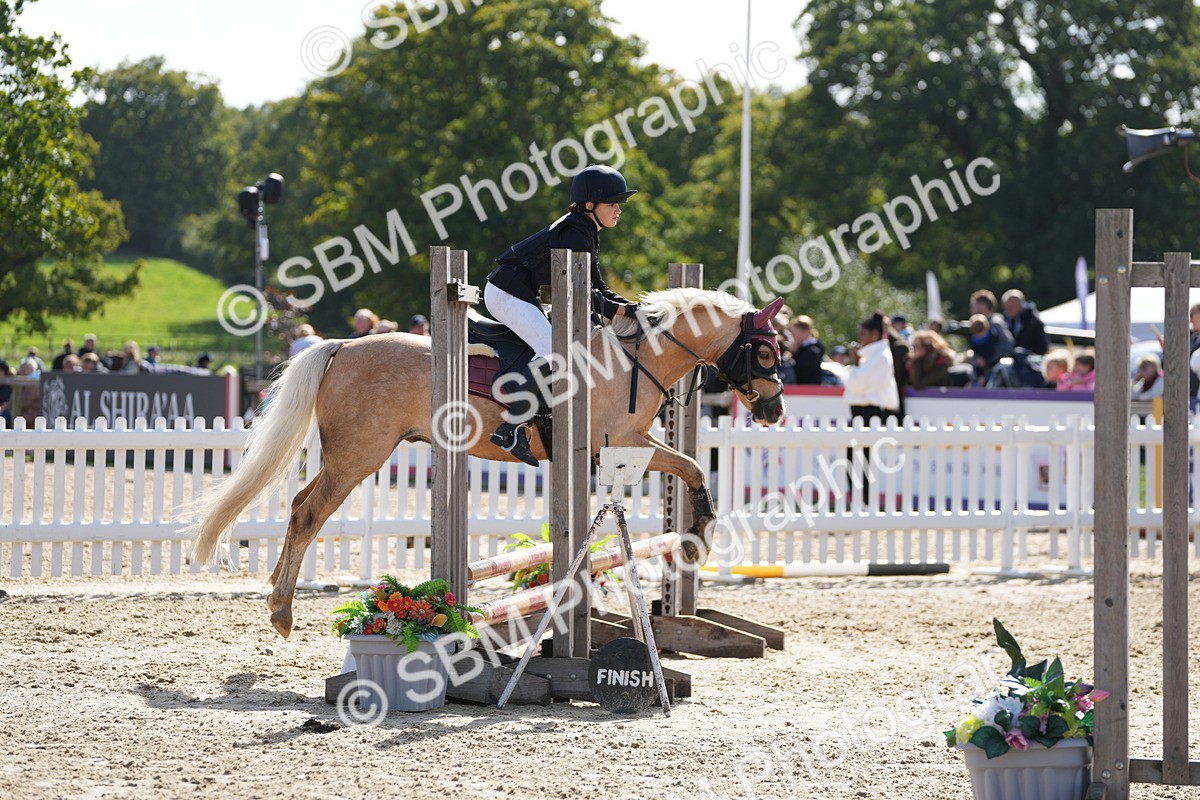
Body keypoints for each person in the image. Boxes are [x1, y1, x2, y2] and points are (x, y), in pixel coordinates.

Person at [484, 164, 640, 466]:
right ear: (590, 205)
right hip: (506, 294)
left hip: (520, 293)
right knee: (554, 350)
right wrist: (625, 311)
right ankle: (510, 429)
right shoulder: (575, 232)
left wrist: (633, 307)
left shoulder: (586, 230)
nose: (619, 210)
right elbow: (586, 294)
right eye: (612, 204)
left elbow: (599, 287)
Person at [843, 313, 900, 423]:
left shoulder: (880, 357)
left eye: (863, 334)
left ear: (874, 334)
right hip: (864, 411)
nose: (861, 338)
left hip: (872, 412)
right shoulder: (872, 356)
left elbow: (856, 385)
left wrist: (855, 363)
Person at [1001, 289, 1048, 355]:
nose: (1009, 309)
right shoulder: (1003, 321)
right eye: (1007, 306)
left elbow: (1042, 348)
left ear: (1021, 305)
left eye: (1012, 306)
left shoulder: (1033, 322)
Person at [788, 315, 825, 385]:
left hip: (809, 390)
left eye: (795, 332)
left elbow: (800, 371)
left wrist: (793, 353)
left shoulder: (813, 350)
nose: (792, 335)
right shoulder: (801, 348)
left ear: (805, 331)